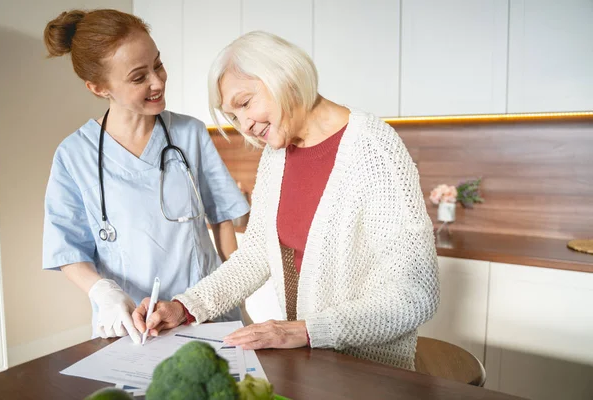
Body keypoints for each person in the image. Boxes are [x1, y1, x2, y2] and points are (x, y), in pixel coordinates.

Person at [134, 31, 439, 370]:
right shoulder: (277, 154)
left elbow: (415, 295)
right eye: (233, 117)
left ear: (285, 76)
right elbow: (255, 256)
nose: (245, 125)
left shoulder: (373, 148)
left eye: (245, 103)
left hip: (369, 371)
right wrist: (184, 307)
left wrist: (303, 331)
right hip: (311, 366)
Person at [42, 9, 249, 344]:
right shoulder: (73, 155)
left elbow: (223, 218)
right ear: (98, 88)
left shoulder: (190, 133)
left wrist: (237, 298)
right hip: (134, 325)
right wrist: (103, 292)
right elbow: (67, 249)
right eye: (139, 77)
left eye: (158, 64)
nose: (158, 81)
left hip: (207, 314)